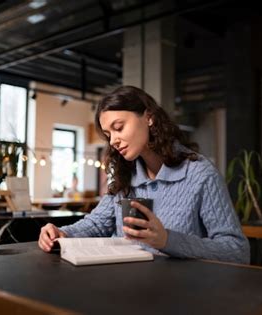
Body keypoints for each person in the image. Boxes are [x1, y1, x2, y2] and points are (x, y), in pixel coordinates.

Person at [38, 86, 250, 264]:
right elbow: (97, 223)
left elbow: (237, 250)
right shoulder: (125, 174)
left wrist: (167, 240)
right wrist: (62, 233)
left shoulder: (200, 173)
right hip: (126, 286)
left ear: (149, 117)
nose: (113, 141)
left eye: (119, 127)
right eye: (108, 134)